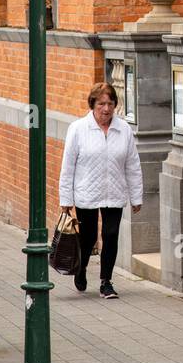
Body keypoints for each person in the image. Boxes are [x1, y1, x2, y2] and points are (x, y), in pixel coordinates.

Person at [59, 82, 143, 300]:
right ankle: (82, 267)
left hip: (114, 191)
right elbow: (68, 166)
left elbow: (132, 165)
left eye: (111, 103)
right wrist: (65, 198)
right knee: (87, 239)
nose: (106, 109)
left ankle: (106, 281)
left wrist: (136, 197)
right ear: (93, 105)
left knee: (111, 235)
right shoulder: (78, 129)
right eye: (101, 104)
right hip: (86, 192)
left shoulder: (123, 129)